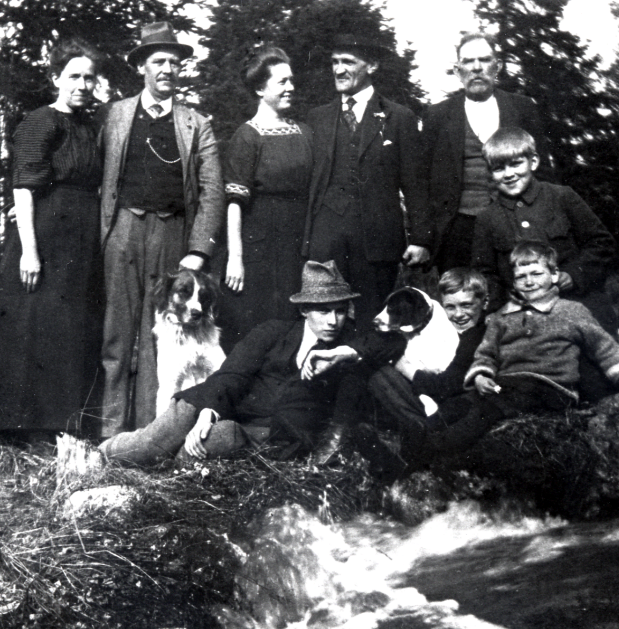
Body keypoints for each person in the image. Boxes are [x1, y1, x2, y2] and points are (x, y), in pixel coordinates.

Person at [99, 261, 404, 467]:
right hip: (211, 402)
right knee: (152, 444)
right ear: (305, 310)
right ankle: (99, 454)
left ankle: (153, 476)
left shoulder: (348, 343)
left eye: (340, 311)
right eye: (324, 311)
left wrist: (343, 353)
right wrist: (208, 411)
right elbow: (231, 375)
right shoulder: (272, 332)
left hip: (255, 431)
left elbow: (393, 341)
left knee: (200, 448)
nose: (333, 321)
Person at [402, 241, 619, 469]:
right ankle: (418, 435)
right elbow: (486, 353)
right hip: (509, 384)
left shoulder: (572, 311)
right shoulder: (502, 317)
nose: (529, 281)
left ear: (554, 275)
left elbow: (604, 348)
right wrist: (480, 375)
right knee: (463, 403)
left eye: (537, 274)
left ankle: (434, 448)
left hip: (552, 387)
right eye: (521, 277)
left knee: (489, 410)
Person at [0, 39, 104, 442]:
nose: (81, 84)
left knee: (71, 329)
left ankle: (65, 424)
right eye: (73, 76)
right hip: (45, 238)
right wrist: (29, 250)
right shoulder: (41, 121)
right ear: (55, 78)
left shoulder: (89, 126)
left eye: (89, 78)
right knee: (36, 328)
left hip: (82, 241)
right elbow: (24, 188)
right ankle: (25, 429)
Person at [98, 21, 224, 438]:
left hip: (173, 236)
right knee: (118, 332)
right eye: (159, 61)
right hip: (124, 230)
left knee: (162, 339)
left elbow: (212, 191)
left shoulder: (195, 123)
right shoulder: (115, 115)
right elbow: (91, 170)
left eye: (174, 62)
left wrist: (198, 251)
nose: (168, 69)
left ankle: (152, 434)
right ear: (142, 68)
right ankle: (111, 434)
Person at [472, 127, 618, 401]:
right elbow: (486, 273)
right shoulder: (487, 219)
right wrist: (499, 308)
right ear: (490, 173)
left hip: (581, 304)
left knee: (598, 388)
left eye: (516, 163)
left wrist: (572, 275)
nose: (509, 173)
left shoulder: (563, 197)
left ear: (534, 162)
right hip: (528, 321)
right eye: (499, 168)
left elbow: (602, 244)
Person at [304, 32, 431, 331]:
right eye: (334, 62)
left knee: (373, 324)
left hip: (377, 244)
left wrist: (422, 238)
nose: (338, 70)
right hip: (327, 242)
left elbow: (415, 183)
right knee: (325, 324)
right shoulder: (317, 118)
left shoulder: (399, 118)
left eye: (348, 62)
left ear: (371, 65)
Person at [306, 268, 488, 467]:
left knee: (378, 369)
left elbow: (446, 386)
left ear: (484, 303)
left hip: (451, 410)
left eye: (467, 306)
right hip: (425, 403)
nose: (458, 314)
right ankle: (340, 435)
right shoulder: (441, 328)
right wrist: (344, 352)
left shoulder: (480, 335)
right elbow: (387, 343)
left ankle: (390, 451)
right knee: (372, 364)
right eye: (450, 307)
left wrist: (403, 366)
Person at [421, 31, 549, 273]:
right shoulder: (437, 115)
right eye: (468, 62)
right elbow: (421, 178)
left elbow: (543, 170)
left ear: (497, 66)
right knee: (462, 302)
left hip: (513, 221)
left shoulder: (522, 108)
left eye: (484, 60)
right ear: (458, 71)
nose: (477, 68)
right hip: (456, 229)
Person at [220, 46, 313, 349]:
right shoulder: (247, 136)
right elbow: (234, 203)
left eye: (292, 81)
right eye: (282, 82)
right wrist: (235, 258)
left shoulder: (305, 133)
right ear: (260, 88)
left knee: (295, 323)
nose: (291, 88)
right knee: (258, 329)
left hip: (298, 244)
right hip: (259, 249)